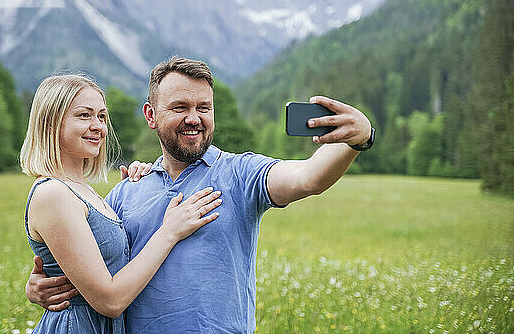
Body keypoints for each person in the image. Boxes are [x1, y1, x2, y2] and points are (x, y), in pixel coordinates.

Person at [26, 57, 374, 333]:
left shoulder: (241, 173)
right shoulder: (125, 191)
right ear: (151, 115)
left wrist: (358, 139)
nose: (194, 118)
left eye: (203, 108)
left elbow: (308, 178)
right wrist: (43, 285)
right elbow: (94, 263)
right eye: (179, 107)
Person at [20, 74, 222, 333]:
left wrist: (145, 177)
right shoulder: (53, 194)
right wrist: (170, 231)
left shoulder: (84, 191)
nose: (98, 126)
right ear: (50, 123)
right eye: (84, 115)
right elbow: (111, 300)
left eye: (102, 116)